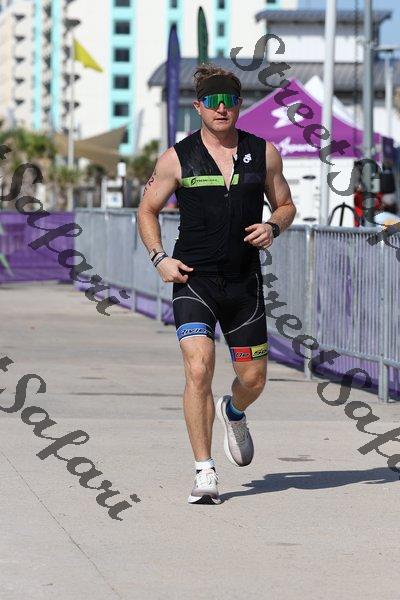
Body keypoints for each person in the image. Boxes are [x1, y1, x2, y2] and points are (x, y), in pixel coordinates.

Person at [138, 64, 295, 504]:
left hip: (244, 286)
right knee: (198, 368)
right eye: (213, 102)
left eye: (229, 101)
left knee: (253, 378)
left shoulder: (264, 153)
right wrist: (159, 258)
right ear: (199, 107)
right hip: (194, 282)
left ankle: (234, 411)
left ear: (239, 105)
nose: (221, 109)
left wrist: (273, 226)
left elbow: (285, 204)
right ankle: (204, 470)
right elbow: (146, 209)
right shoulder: (177, 157)